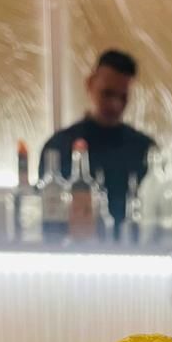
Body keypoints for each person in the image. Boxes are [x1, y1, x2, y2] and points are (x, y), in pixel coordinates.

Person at [38, 49, 155, 234]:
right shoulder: (58, 147)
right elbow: (48, 217)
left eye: (123, 97)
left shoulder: (144, 149)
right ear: (90, 84)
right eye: (107, 94)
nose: (115, 104)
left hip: (132, 246)